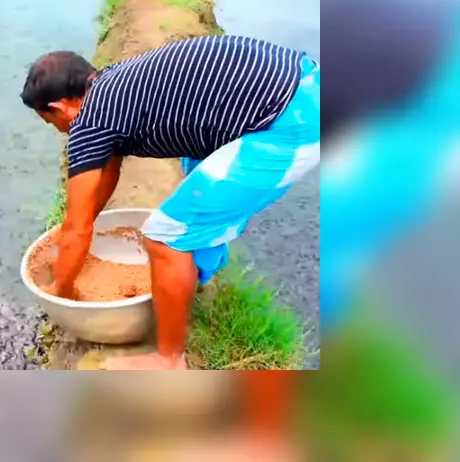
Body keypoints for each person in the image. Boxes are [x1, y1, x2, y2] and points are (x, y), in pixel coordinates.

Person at [20, 35, 320, 370]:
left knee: (164, 236)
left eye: (52, 123)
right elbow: (102, 177)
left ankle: (170, 360)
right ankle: (193, 278)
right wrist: (76, 220)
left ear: (60, 107)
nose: (61, 131)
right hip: (304, 85)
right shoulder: (112, 87)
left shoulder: (89, 123)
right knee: (194, 176)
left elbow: (80, 227)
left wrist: (61, 288)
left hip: (288, 123)